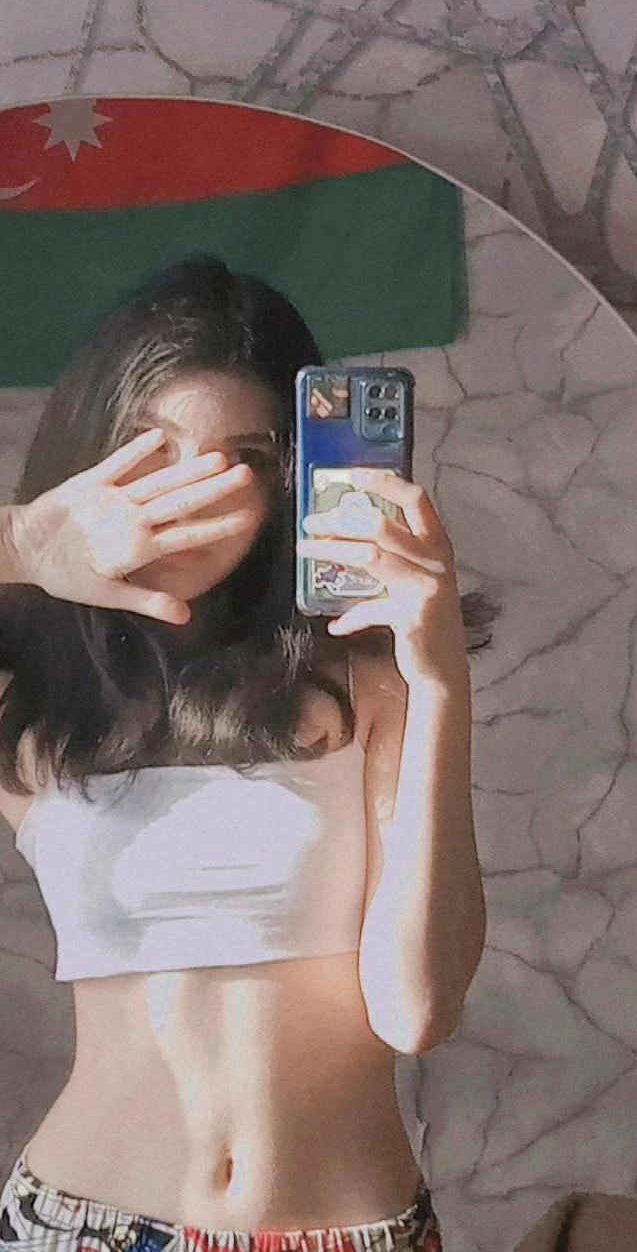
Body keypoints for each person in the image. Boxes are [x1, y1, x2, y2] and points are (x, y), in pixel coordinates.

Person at [0, 254, 495, 1252]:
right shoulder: (33, 701)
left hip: (347, 1230)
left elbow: (415, 1009)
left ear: (291, 482)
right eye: (151, 449)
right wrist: (21, 545)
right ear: (91, 454)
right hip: (79, 1222)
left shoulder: (372, 686)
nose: (193, 493)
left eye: (245, 457)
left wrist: (439, 679)